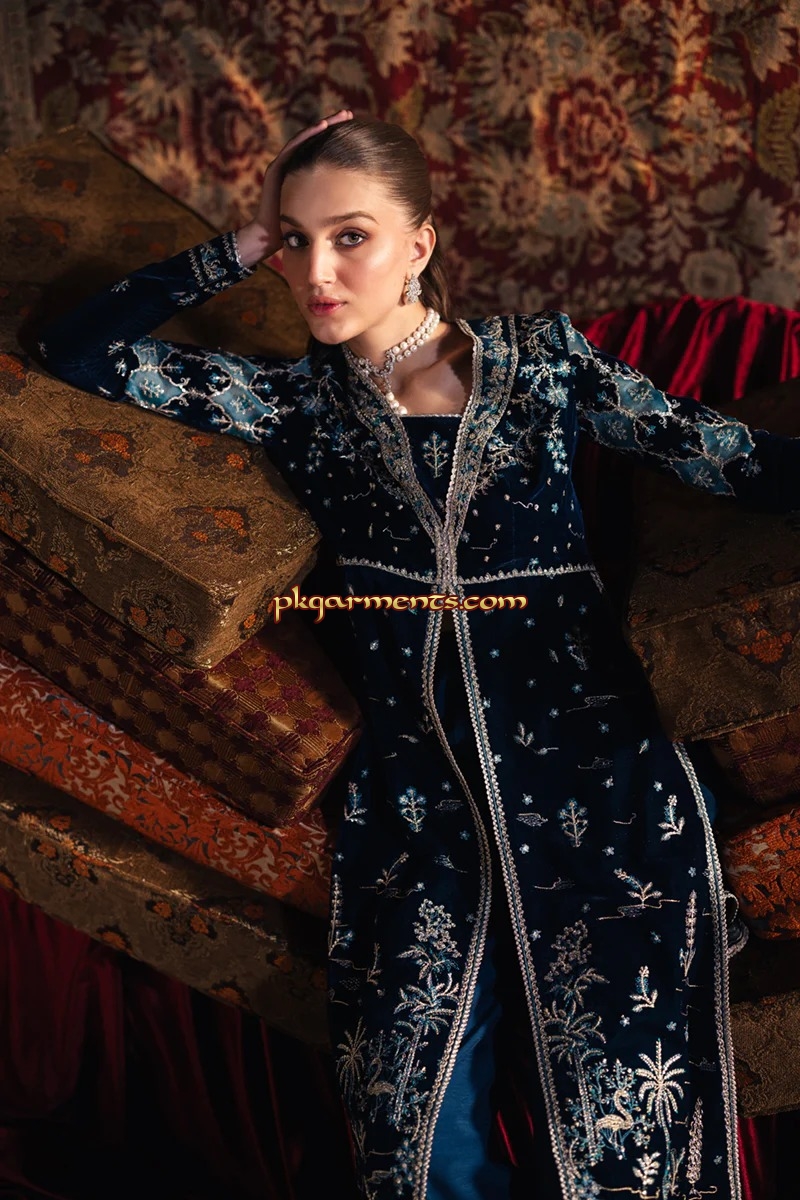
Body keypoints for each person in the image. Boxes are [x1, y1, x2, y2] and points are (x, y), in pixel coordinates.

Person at [33, 110, 800, 1200]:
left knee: (624, 1115)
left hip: (596, 778)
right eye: (296, 242)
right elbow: (76, 352)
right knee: (406, 1124)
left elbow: (724, 456)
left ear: (420, 243)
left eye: (350, 236)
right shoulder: (294, 404)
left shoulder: (542, 364)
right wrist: (236, 246)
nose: (318, 271)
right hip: (416, 801)